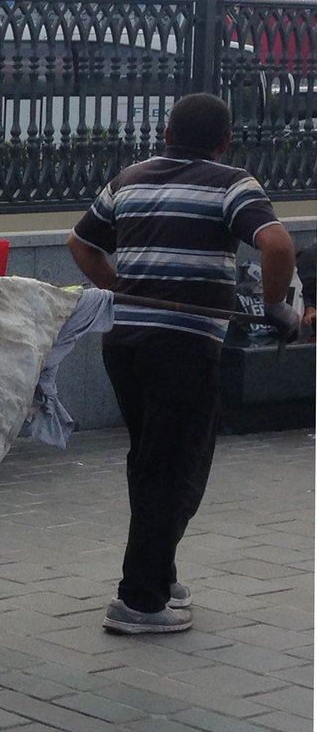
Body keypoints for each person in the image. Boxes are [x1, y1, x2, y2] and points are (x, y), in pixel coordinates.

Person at [67, 92, 301, 635]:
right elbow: (277, 246)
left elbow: (80, 243)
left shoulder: (128, 180)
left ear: (167, 133)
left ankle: (159, 573)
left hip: (124, 345)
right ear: (225, 141)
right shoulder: (231, 183)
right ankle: (139, 601)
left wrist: (125, 290)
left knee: (151, 461)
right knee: (175, 469)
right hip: (183, 350)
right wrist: (275, 308)